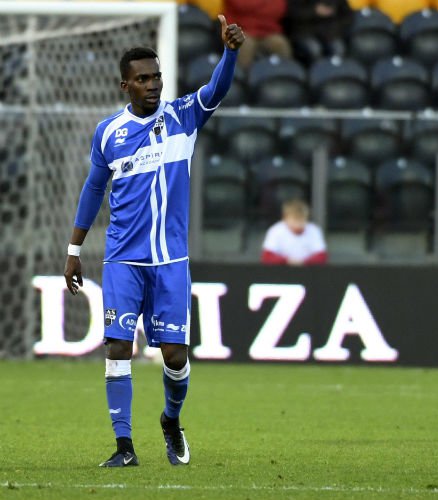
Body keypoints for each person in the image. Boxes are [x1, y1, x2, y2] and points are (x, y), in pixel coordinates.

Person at [62, 16, 245, 467]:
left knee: (176, 356)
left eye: (157, 76)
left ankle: (170, 419)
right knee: (118, 347)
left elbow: (216, 90)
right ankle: (124, 447)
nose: (153, 85)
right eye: (142, 79)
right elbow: (92, 190)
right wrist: (73, 250)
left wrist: (231, 53)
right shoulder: (108, 132)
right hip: (123, 259)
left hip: (170, 261)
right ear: (124, 85)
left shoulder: (184, 115)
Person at [224, 0, 292, 69]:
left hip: (267, 31)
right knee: (245, 44)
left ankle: (284, 76)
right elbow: (239, 4)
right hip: (241, 29)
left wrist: (251, 7)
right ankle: (240, 77)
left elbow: (278, 9)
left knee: (280, 43)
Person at [284, 0, 353, 65]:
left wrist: (335, 28)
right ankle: (317, 74)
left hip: (330, 31)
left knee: (338, 48)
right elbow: (293, 12)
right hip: (304, 31)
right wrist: (314, 11)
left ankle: (336, 74)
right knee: (314, 49)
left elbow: (347, 16)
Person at [261, 199, 328, 265]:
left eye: (301, 219)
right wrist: (286, 261)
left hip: (308, 271)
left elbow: (321, 257)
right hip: (281, 271)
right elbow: (267, 257)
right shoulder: (275, 230)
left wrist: (304, 262)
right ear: (285, 218)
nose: (298, 224)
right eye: (295, 220)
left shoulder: (314, 230)